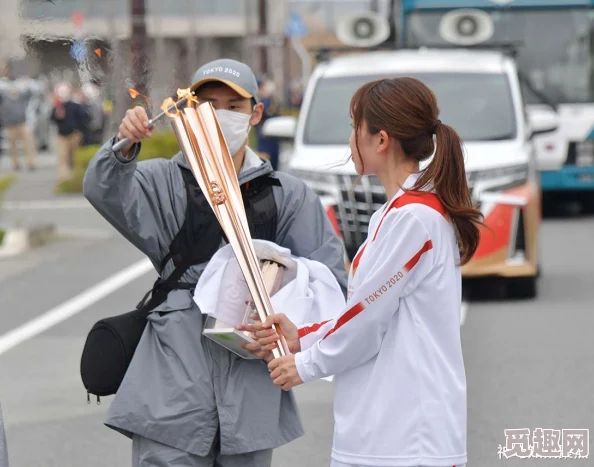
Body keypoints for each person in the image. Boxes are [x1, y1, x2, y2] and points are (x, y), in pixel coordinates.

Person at [82, 58, 347, 466]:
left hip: (253, 387)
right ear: (190, 111)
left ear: (256, 113)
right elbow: (104, 190)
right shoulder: (162, 181)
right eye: (209, 104)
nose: (221, 115)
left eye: (234, 106)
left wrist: (291, 324)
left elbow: (331, 281)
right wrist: (123, 146)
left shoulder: (287, 195)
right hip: (171, 381)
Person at [246, 77, 484, 467]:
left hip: (406, 439)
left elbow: (366, 320)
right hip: (386, 434)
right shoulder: (393, 216)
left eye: (355, 126)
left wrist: (303, 365)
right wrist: (301, 338)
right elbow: (364, 309)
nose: (350, 138)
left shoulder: (413, 219)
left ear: (381, 139)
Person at [51, 82, 89, 181]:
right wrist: (57, 116)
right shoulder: (57, 107)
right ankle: (64, 178)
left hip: (74, 135)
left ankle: (76, 178)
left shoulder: (75, 106)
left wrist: (79, 131)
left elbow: (84, 118)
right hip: (62, 136)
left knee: (74, 157)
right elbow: (51, 119)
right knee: (62, 157)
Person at [0, 78, 36, 171]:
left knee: (28, 143)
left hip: (22, 123)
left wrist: (27, 84)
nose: (14, 90)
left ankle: (30, 162)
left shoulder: (21, 96)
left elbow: (30, 94)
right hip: (10, 125)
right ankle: (15, 164)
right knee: (13, 146)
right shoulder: (4, 96)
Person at [255, 79, 281, 170]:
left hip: (273, 141)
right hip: (264, 142)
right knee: (266, 169)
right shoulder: (261, 101)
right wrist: (265, 98)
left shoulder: (270, 100)